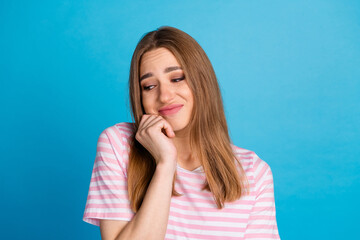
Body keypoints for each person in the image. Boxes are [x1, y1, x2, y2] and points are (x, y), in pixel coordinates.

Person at [83, 26, 280, 240]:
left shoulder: (254, 173)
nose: (165, 96)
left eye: (177, 79)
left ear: (203, 82)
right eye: (149, 86)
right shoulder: (118, 144)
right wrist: (165, 164)